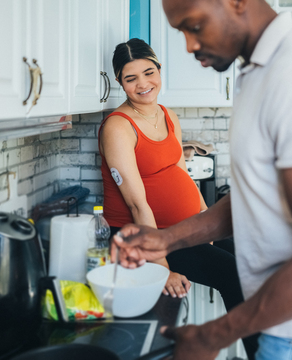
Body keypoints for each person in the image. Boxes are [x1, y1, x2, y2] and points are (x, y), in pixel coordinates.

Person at [112, 1, 292, 360]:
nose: (188, 45)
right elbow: (259, 197)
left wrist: (212, 335)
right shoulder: (259, 73)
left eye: (194, 26)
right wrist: (166, 240)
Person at [98, 38, 259, 358]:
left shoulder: (167, 115)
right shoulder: (118, 127)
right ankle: (263, 354)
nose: (143, 84)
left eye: (149, 72)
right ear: (119, 82)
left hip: (183, 229)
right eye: (131, 78)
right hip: (147, 238)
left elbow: (183, 175)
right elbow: (136, 205)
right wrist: (161, 266)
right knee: (232, 274)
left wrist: (208, 227)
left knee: (253, 258)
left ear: (159, 70)